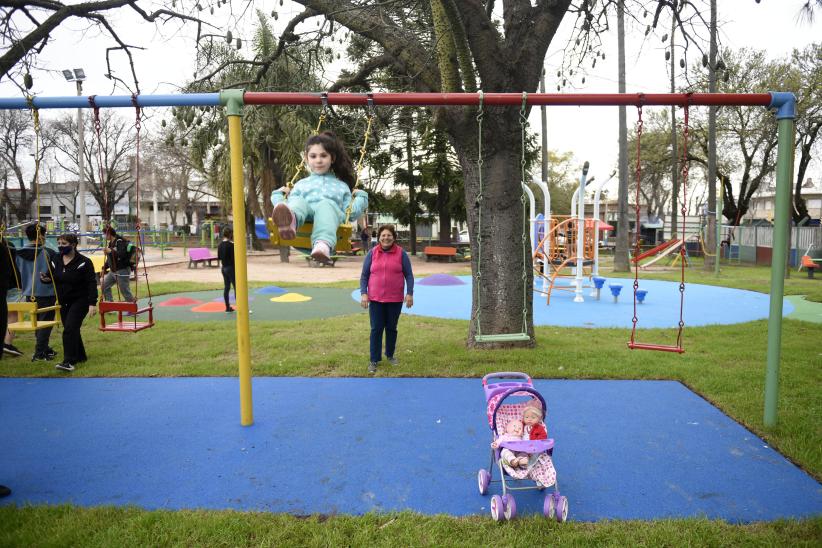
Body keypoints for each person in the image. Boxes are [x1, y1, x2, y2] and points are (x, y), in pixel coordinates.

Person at [270, 131, 369, 264]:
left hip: (328, 221)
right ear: (306, 158)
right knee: (297, 202)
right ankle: (290, 221)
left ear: (332, 158)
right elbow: (286, 204)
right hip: (303, 221)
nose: (318, 160)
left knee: (326, 205)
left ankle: (322, 244)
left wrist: (361, 198)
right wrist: (278, 195)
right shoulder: (300, 184)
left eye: (323, 155)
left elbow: (350, 213)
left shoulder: (341, 186)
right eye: (313, 156)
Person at [359, 224, 414, 374]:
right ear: (379, 238)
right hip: (375, 299)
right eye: (383, 235)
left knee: (391, 328)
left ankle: (390, 355)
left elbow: (409, 275)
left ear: (394, 237)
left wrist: (409, 293)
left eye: (389, 235)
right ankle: (374, 360)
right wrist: (364, 293)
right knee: (376, 329)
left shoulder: (401, 254)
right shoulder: (372, 253)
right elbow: (364, 275)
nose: (386, 238)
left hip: (395, 299)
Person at [40, 233, 97, 372]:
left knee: (69, 329)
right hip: (64, 300)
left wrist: (92, 303)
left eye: (64, 244)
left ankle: (68, 361)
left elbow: (91, 283)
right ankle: (81, 356)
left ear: (73, 245)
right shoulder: (55, 259)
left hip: (80, 300)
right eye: (59, 243)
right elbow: (50, 276)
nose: (61, 246)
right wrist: (45, 278)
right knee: (73, 329)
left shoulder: (84, 262)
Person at [15, 223, 58, 362]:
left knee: (38, 322)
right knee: (45, 323)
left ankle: (44, 348)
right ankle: (40, 353)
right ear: (41, 235)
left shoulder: (19, 253)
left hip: (29, 293)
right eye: (44, 235)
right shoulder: (48, 253)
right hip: (46, 292)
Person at [101, 226, 135, 302]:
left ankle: (132, 308)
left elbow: (122, 255)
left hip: (122, 270)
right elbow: (110, 258)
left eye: (104, 234)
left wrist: (110, 251)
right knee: (104, 286)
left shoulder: (119, 242)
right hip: (113, 271)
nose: (103, 236)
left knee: (124, 290)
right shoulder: (110, 243)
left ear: (109, 234)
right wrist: (104, 268)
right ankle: (110, 304)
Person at [217, 227, 236, 312]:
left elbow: (219, 257)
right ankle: (240, 307)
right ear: (230, 234)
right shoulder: (231, 245)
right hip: (231, 268)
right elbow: (234, 258)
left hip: (223, 268)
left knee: (227, 287)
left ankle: (227, 307)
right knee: (237, 287)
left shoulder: (220, 244)